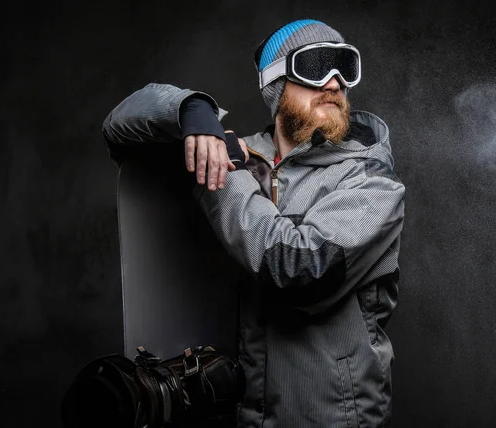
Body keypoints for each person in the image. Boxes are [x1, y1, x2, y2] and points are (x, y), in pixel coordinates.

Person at [103, 19, 405, 428]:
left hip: (330, 420)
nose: (334, 84)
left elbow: (300, 268)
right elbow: (118, 130)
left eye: (344, 68)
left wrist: (222, 176)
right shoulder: (234, 151)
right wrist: (191, 110)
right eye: (316, 66)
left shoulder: (371, 181)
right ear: (276, 84)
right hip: (246, 417)